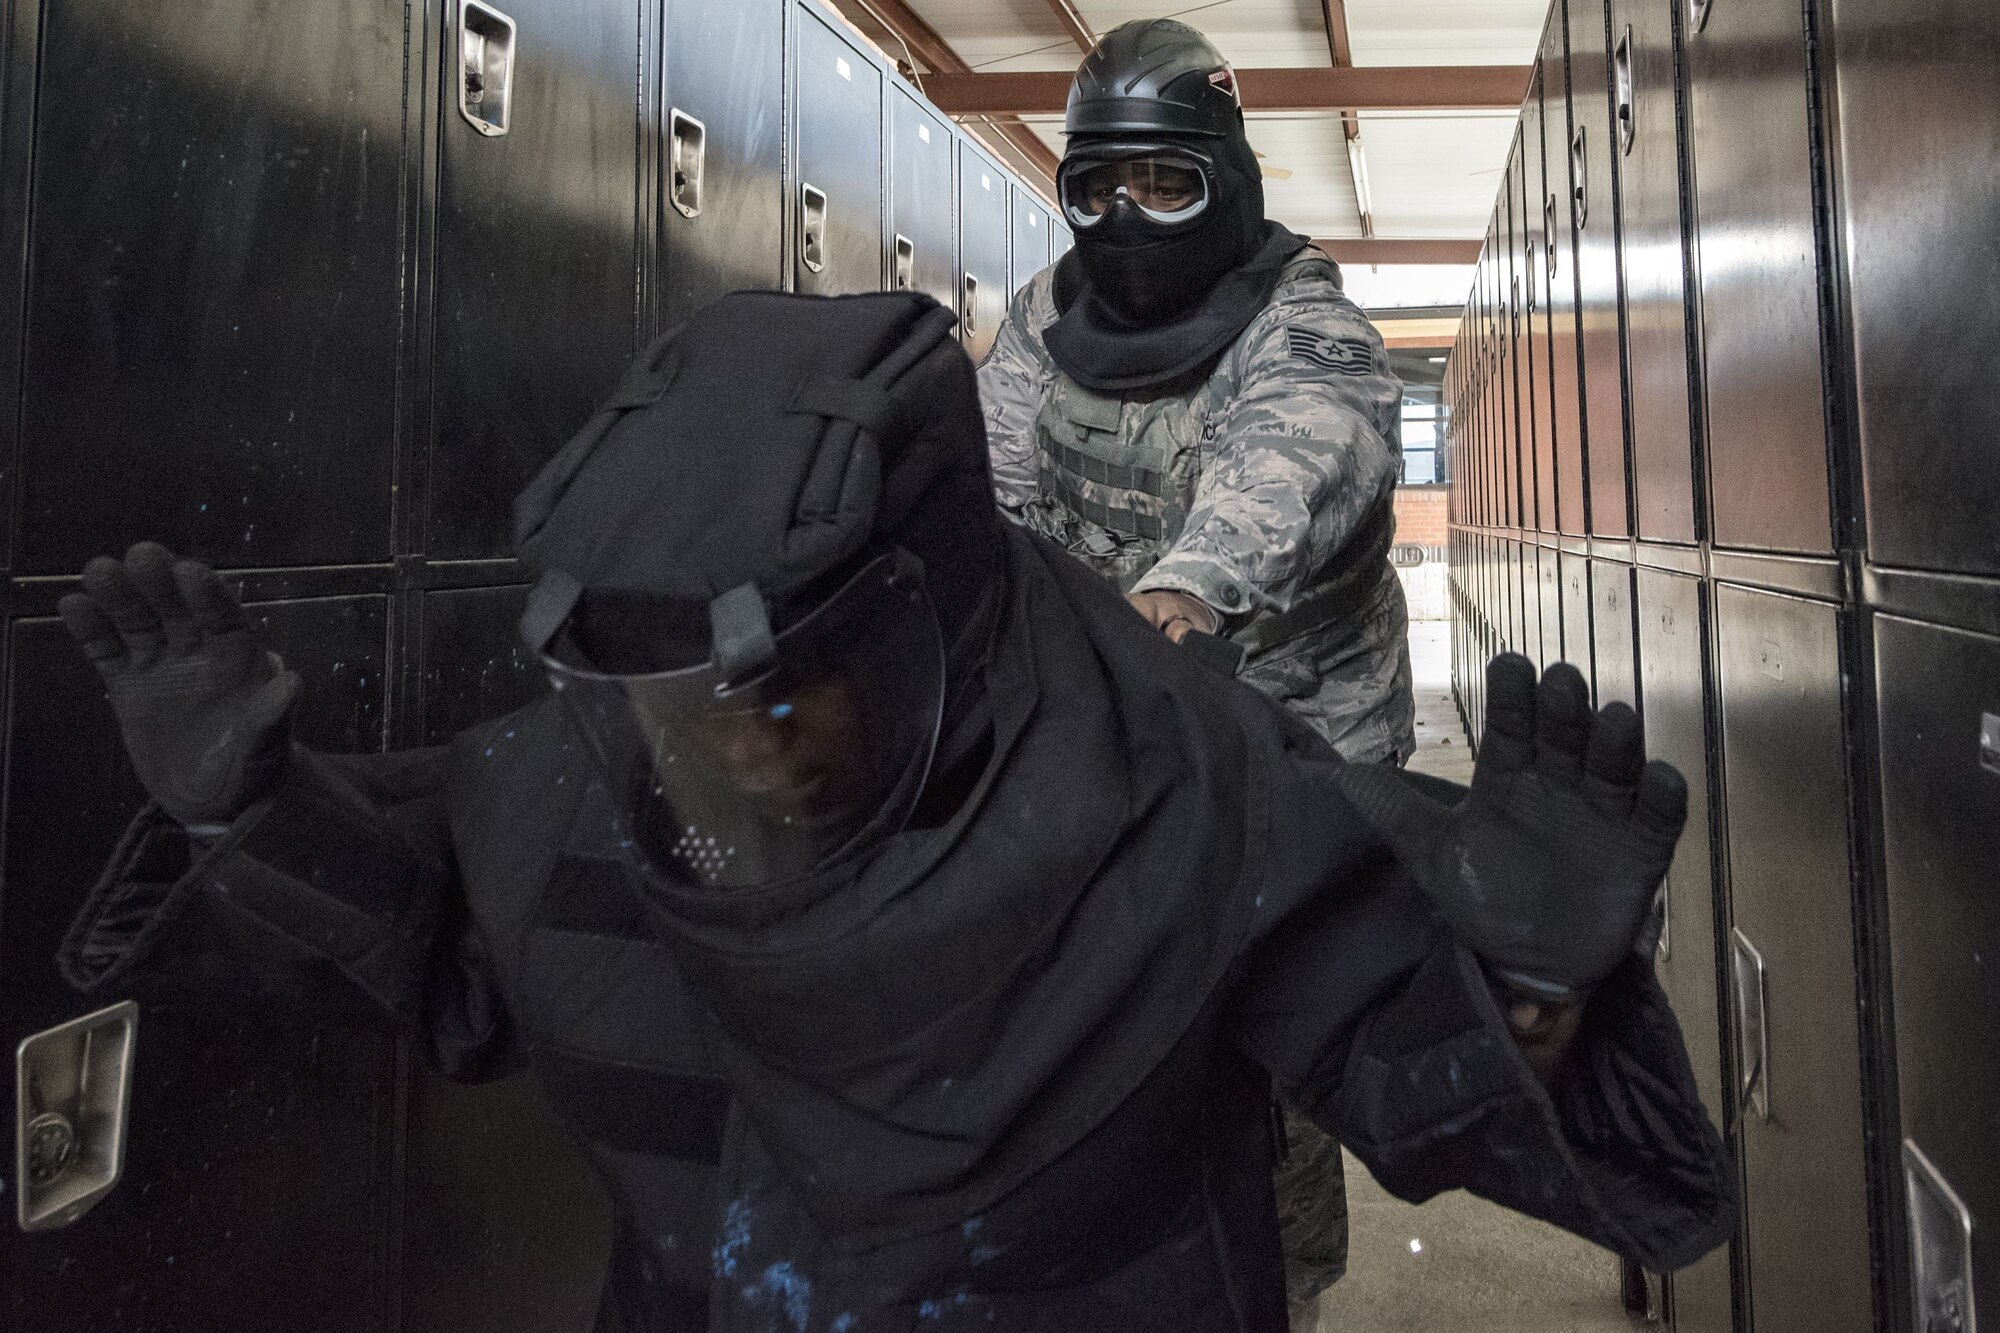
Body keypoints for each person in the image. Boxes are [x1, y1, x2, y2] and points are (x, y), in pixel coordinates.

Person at [58, 290, 1731, 1333]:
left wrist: (1539, 996)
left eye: (793, 686)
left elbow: (1397, 1076)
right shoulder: (605, 771)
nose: (747, 753)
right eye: (693, 714)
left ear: (933, 614)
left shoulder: (1184, 788)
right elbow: (474, 974)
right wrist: (258, 812)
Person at [976, 22, 1416, 1318]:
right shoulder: (1045, 321)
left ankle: (1284, 1294)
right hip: (1120, 765)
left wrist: (1185, 586)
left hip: (1289, 778)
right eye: (1097, 187)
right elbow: (989, 493)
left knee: (1269, 1080)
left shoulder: (1305, 321)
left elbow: (1294, 460)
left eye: (1166, 183)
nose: (1127, 218)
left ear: (1229, 177)